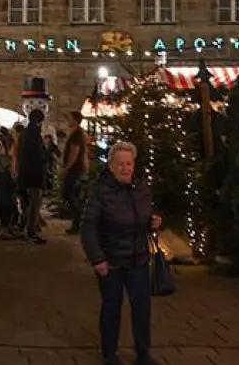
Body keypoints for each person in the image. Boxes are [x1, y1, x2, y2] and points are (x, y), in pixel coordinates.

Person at [80, 140, 163, 365]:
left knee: (142, 307)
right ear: (111, 166)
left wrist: (152, 223)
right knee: (112, 307)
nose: (125, 168)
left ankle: (143, 353)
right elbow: (88, 228)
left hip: (138, 259)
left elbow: (141, 218)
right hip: (111, 262)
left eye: (129, 164)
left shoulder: (141, 189)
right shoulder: (100, 192)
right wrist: (97, 258)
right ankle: (109, 354)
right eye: (120, 164)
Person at [15, 109, 49, 244]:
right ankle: (31, 233)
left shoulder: (25, 133)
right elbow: (38, 155)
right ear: (40, 121)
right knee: (33, 204)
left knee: (28, 204)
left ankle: (24, 229)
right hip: (34, 175)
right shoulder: (34, 135)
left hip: (25, 174)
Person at [60, 112, 90, 235]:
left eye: (70, 118)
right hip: (77, 168)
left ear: (75, 120)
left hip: (74, 169)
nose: (68, 121)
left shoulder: (76, 135)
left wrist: (67, 168)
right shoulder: (77, 134)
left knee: (69, 194)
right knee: (73, 195)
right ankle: (79, 221)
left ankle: (79, 221)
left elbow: (74, 152)